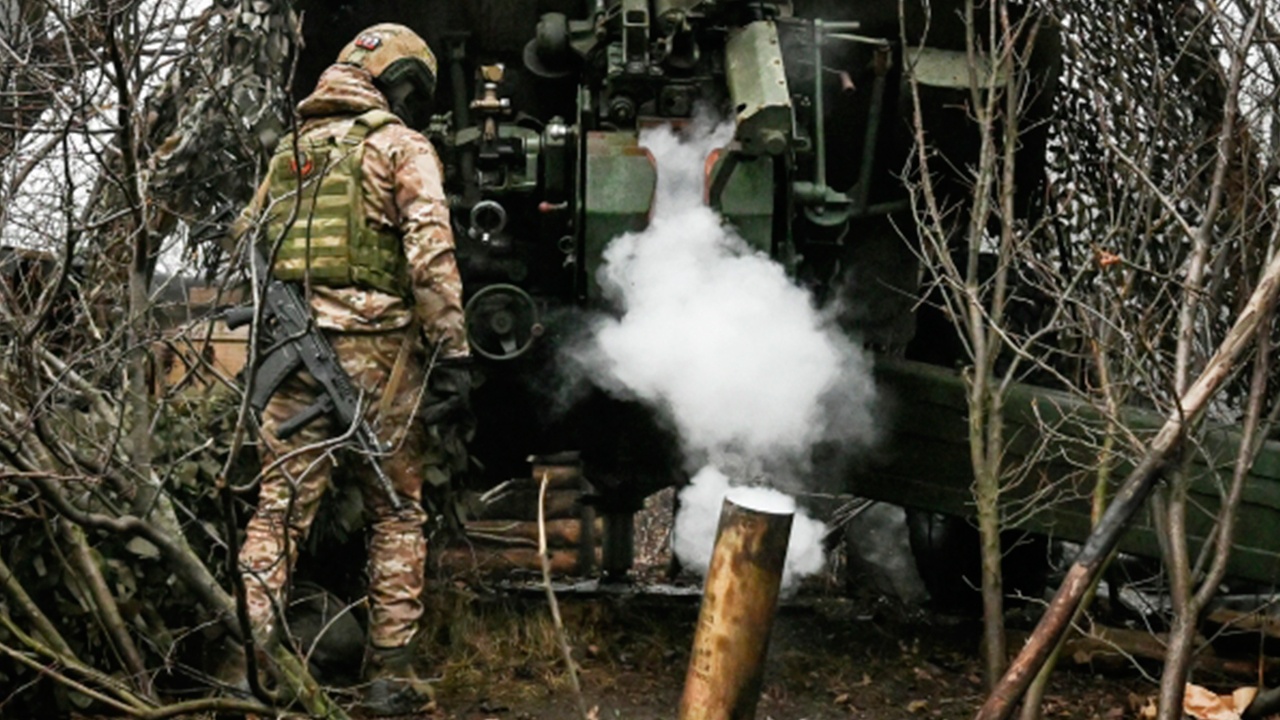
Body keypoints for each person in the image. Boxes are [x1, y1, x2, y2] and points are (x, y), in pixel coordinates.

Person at [231, 23, 469, 715]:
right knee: (396, 511)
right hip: (378, 356)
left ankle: (243, 664)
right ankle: (389, 677)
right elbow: (431, 255)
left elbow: (250, 245)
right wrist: (452, 352)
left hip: (290, 351)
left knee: (277, 512)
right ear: (400, 86)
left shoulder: (289, 151)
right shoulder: (400, 146)